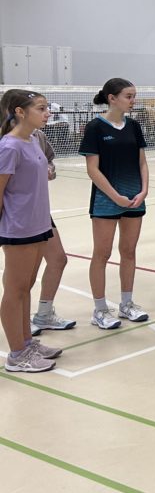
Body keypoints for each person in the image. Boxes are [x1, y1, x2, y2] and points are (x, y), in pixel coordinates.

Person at [79, 78, 150, 330]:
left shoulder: (134, 126)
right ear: (112, 98)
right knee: (102, 253)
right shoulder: (95, 127)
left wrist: (144, 190)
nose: (133, 101)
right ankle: (100, 310)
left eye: (134, 96)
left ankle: (127, 304)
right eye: (128, 96)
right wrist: (115, 197)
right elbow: (93, 169)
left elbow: (142, 162)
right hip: (106, 200)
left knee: (129, 251)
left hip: (134, 198)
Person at [0, 90, 62, 372]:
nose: (47, 113)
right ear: (20, 111)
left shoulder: (33, 140)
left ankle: (26, 343)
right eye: (41, 108)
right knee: (15, 290)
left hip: (39, 224)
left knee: (26, 287)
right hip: (19, 228)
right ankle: (16, 355)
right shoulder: (9, 146)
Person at [28, 129, 74, 335]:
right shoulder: (8, 140)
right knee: (24, 272)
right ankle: (19, 320)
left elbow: (49, 161)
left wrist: (49, 169)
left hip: (40, 210)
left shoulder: (38, 136)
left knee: (57, 259)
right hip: (19, 214)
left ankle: (44, 315)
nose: (48, 114)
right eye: (41, 111)